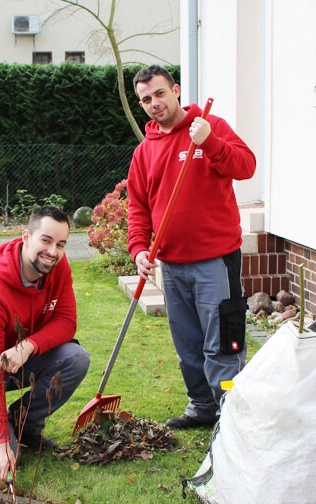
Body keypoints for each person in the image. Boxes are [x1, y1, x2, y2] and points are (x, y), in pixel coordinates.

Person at [126, 65, 256, 429]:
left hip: (215, 260)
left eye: (160, 94)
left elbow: (246, 166)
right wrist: (139, 249)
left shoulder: (209, 127)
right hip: (172, 264)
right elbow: (137, 207)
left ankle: (231, 409)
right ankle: (201, 406)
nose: (154, 103)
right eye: (146, 99)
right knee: (188, 344)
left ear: (176, 90)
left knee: (223, 341)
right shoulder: (144, 152)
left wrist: (210, 142)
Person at [0, 206, 90, 481]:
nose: (53, 252)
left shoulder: (58, 267)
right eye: (45, 240)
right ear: (26, 237)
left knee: (76, 358)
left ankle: (25, 427)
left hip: (19, 359)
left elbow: (67, 321)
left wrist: (27, 347)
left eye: (60, 244)